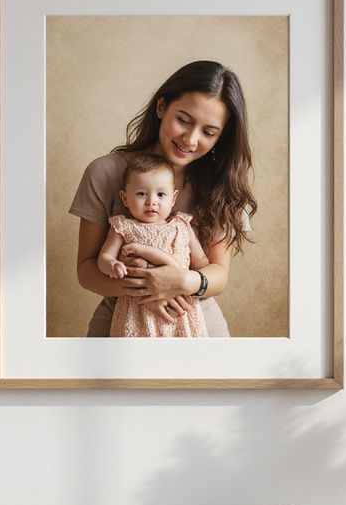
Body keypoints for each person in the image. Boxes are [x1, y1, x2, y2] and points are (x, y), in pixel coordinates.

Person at [68, 59, 257, 337]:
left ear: (221, 138)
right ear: (161, 107)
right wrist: (149, 286)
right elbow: (86, 271)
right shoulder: (105, 173)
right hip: (120, 326)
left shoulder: (221, 186)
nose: (190, 139)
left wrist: (182, 282)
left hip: (199, 325)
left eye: (208, 132)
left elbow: (218, 275)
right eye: (183, 120)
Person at [97, 154, 209, 338]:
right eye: (141, 194)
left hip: (180, 309)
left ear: (173, 199)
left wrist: (191, 279)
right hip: (136, 311)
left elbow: (202, 262)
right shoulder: (123, 227)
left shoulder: (181, 225)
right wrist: (113, 265)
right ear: (125, 199)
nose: (151, 201)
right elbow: (104, 258)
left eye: (161, 194)